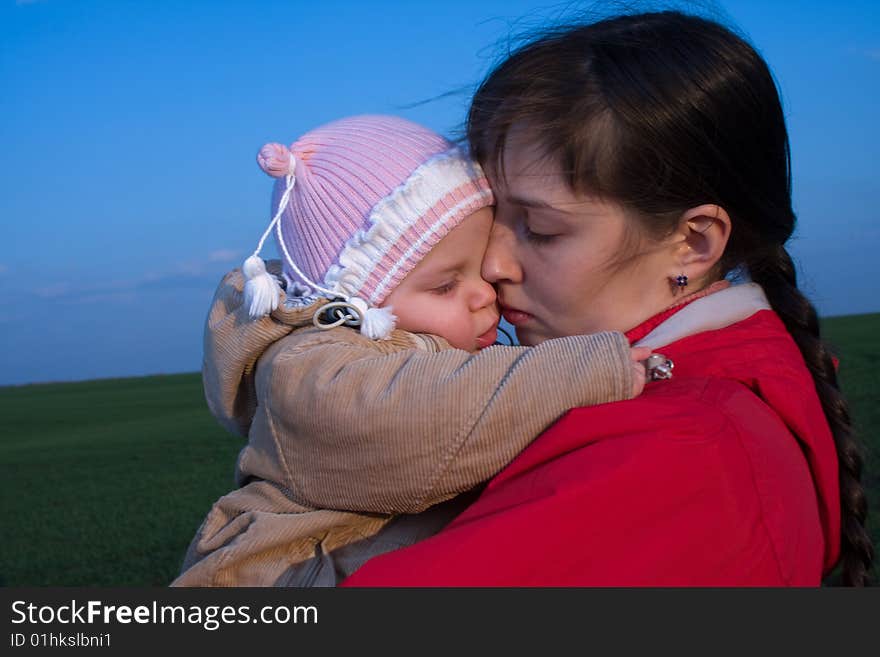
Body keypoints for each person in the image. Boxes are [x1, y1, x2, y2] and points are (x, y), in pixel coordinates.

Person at [341, 11, 874, 586]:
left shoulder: (678, 453)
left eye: (541, 229)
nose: (493, 264)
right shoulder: (703, 400)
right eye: (494, 216)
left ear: (693, 242)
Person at [172, 115, 652, 587]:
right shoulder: (310, 370)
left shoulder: (420, 351)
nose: (485, 294)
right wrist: (583, 371)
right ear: (356, 303)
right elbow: (418, 418)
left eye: (480, 269)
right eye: (446, 285)